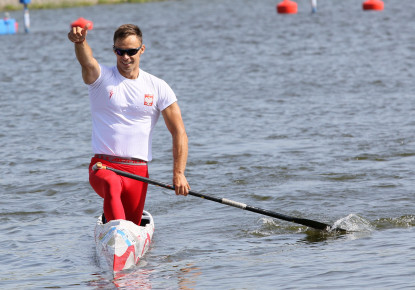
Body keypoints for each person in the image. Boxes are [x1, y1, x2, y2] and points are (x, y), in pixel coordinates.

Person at [68, 23, 190, 225]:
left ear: (142, 49)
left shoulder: (159, 87)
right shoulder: (101, 78)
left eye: (131, 51)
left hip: (138, 172)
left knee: (132, 223)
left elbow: (179, 133)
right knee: (111, 185)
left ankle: (121, 232)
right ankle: (116, 233)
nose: (125, 57)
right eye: (120, 51)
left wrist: (179, 174)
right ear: (114, 50)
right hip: (103, 166)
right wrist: (80, 43)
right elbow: (87, 62)